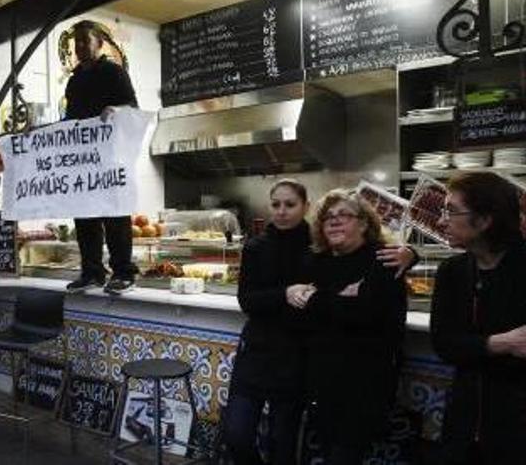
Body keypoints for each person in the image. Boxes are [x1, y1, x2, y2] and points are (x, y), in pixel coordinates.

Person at [224, 182, 414, 464]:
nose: (282, 211)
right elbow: (259, 303)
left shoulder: (354, 257)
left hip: (342, 377)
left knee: (295, 444)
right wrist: (296, 296)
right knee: (239, 435)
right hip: (278, 363)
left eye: (290, 204)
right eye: (276, 204)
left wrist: (410, 253)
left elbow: (367, 314)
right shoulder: (293, 254)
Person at [290, 189, 407, 464]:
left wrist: (317, 300)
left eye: (344, 215)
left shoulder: (384, 260)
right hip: (321, 379)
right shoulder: (314, 261)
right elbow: (298, 317)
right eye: (328, 217)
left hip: (364, 383)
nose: (334, 221)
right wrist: (342, 301)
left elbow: (369, 316)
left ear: (364, 223)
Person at [430, 172, 526, 465]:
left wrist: (474, 347)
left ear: (485, 220)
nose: (441, 220)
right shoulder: (452, 271)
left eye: (451, 211)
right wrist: (500, 344)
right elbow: (444, 343)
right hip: (465, 416)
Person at [63, 19, 139, 296]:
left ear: (99, 43)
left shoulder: (114, 73)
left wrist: (116, 110)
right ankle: (92, 272)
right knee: (84, 216)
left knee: (115, 215)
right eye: (77, 42)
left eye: (85, 40)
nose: (80, 46)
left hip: (111, 158)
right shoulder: (73, 82)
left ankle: (123, 272)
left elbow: (133, 107)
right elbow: (69, 121)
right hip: (82, 162)